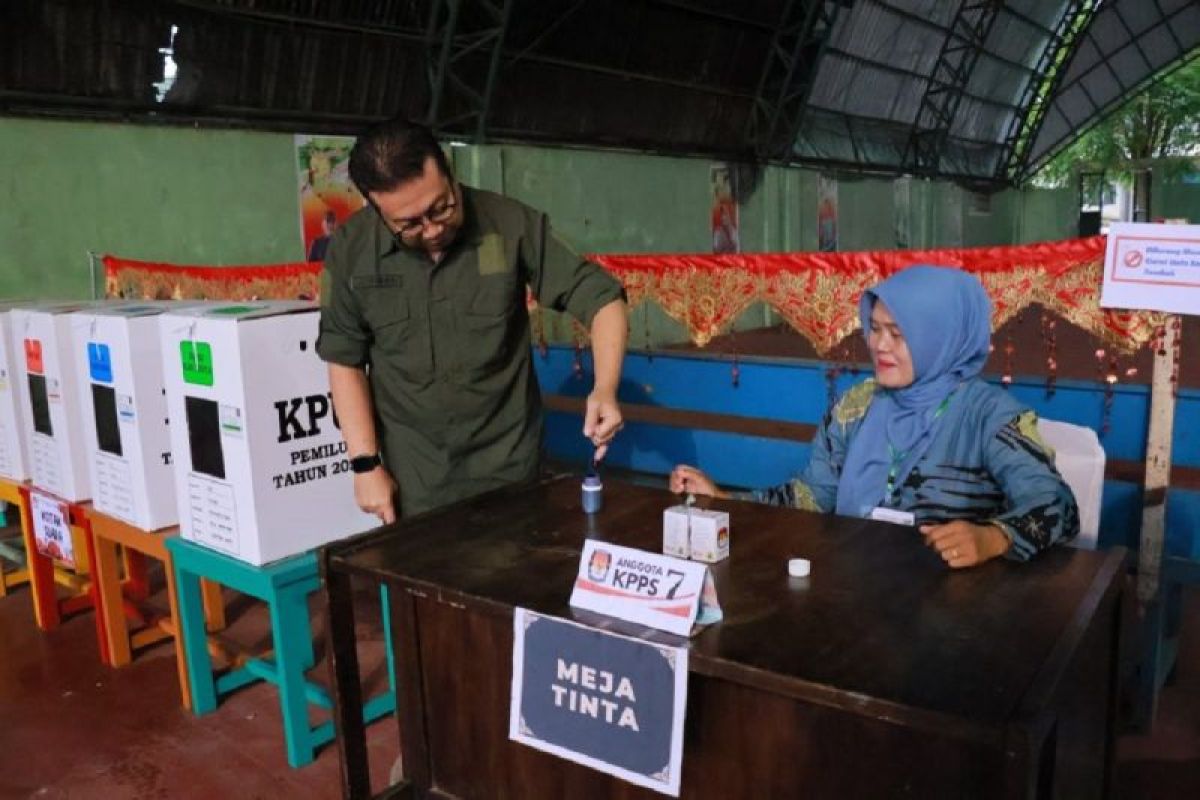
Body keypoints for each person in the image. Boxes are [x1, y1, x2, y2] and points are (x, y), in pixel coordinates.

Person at [318, 118, 628, 523]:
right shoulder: (351, 251)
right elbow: (344, 358)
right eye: (408, 225)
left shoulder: (510, 225)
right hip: (416, 479)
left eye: (440, 207)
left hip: (511, 469)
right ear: (375, 209)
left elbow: (602, 298)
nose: (431, 230)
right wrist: (364, 465)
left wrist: (605, 388)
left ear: (449, 172)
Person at [670, 265, 1079, 569]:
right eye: (875, 328)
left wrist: (993, 538)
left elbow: (1057, 505)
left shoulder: (989, 416)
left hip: (952, 613)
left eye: (899, 335)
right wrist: (725, 501)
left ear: (942, 338)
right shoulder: (858, 405)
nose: (879, 345)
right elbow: (812, 497)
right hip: (853, 585)